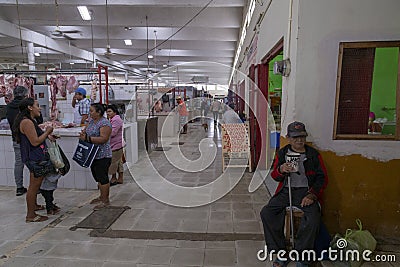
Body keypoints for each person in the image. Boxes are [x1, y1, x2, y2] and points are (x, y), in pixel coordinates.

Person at [260, 121, 328, 267]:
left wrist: (312, 195)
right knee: (267, 212)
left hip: (306, 192)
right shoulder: (283, 153)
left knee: (313, 216)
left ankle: (302, 255)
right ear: (288, 138)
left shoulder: (313, 155)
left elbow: (322, 178)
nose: (299, 140)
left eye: (302, 137)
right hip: (287, 190)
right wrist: (281, 169)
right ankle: (281, 253)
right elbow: (275, 176)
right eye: (295, 137)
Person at [13, 97, 55, 222]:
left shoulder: (29, 120)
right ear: (30, 107)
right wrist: (47, 132)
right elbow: (35, 141)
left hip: (34, 156)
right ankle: (31, 215)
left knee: (35, 184)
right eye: (37, 105)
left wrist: (48, 135)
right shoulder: (27, 122)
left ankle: (34, 207)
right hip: (34, 157)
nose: (40, 108)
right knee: (33, 187)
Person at [80, 103, 112, 209]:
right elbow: (86, 131)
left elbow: (104, 139)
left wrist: (88, 139)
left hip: (103, 155)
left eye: (92, 111)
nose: (90, 112)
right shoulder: (91, 121)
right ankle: (101, 196)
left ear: (98, 112)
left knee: (103, 177)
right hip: (93, 154)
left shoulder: (104, 123)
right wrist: (83, 133)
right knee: (97, 176)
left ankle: (105, 200)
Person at [6, 86, 29, 196]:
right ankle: (37, 187)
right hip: (28, 138)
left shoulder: (9, 106)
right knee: (33, 161)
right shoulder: (26, 105)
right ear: (25, 94)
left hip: (16, 138)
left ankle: (19, 187)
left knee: (19, 163)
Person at [106, 104, 124, 186]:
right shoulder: (113, 119)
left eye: (109, 111)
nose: (108, 113)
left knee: (113, 162)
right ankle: (120, 178)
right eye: (107, 112)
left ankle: (114, 178)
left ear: (115, 112)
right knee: (118, 161)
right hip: (117, 144)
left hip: (115, 144)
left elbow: (113, 133)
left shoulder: (116, 120)